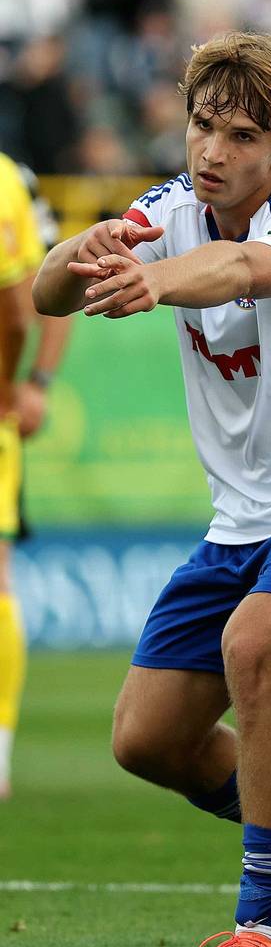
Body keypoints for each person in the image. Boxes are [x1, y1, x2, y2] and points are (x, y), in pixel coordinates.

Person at [32, 31, 271, 947]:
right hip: (235, 524)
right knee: (148, 741)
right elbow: (47, 291)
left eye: (239, 134)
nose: (212, 151)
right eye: (200, 125)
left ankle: (266, 929)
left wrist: (152, 281)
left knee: (259, 650)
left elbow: (242, 273)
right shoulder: (168, 211)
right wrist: (85, 249)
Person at [0, 155, 71, 799]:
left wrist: (33, 385)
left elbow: (49, 297)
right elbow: (27, 307)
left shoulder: (11, 179)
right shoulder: (10, 178)